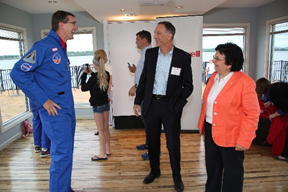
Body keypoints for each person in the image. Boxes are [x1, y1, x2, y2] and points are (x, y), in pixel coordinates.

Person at [10, 10, 78, 192]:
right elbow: (17, 73)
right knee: (61, 153)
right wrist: (43, 100)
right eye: (73, 23)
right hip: (54, 110)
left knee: (66, 152)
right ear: (61, 24)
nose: (76, 27)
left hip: (66, 108)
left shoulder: (61, 46)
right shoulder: (43, 46)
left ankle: (65, 188)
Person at [133, 21, 193, 192]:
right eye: (155, 33)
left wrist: (178, 104)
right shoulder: (151, 54)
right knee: (152, 141)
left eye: (158, 33)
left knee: (173, 144)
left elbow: (188, 86)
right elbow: (144, 80)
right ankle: (155, 171)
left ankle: (177, 176)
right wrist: (138, 101)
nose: (155, 37)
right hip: (151, 105)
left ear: (169, 36)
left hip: (170, 107)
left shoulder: (183, 57)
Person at [197, 42, 260, 192]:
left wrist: (245, 140)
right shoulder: (213, 77)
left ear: (230, 63)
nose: (213, 61)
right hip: (211, 130)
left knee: (233, 173)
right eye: (214, 57)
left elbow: (252, 114)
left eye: (217, 58)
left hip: (232, 135)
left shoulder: (245, 82)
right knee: (212, 170)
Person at [81, 49, 111, 161]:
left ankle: (102, 154)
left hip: (97, 106)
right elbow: (99, 79)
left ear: (94, 64)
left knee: (101, 130)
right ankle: (107, 150)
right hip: (105, 104)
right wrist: (92, 73)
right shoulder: (106, 74)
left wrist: (84, 74)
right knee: (106, 128)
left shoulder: (93, 78)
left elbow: (84, 87)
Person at [128, 30, 152, 159]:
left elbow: (148, 76)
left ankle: (153, 151)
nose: (136, 42)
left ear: (144, 40)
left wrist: (136, 86)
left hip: (146, 93)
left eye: (137, 39)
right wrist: (135, 70)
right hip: (143, 93)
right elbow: (144, 71)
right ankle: (149, 144)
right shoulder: (144, 53)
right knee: (146, 120)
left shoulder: (150, 53)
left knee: (149, 122)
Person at [256, 77, 288, 161]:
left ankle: (285, 155)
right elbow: (282, 95)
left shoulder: (274, 95)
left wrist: (274, 115)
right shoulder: (274, 87)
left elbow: (285, 107)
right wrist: (270, 101)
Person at [94, 62, 113, 135]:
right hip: (104, 96)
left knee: (102, 115)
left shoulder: (107, 68)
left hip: (102, 97)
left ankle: (101, 130)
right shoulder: (106, 69)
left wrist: (107, 93)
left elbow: (110, 81)